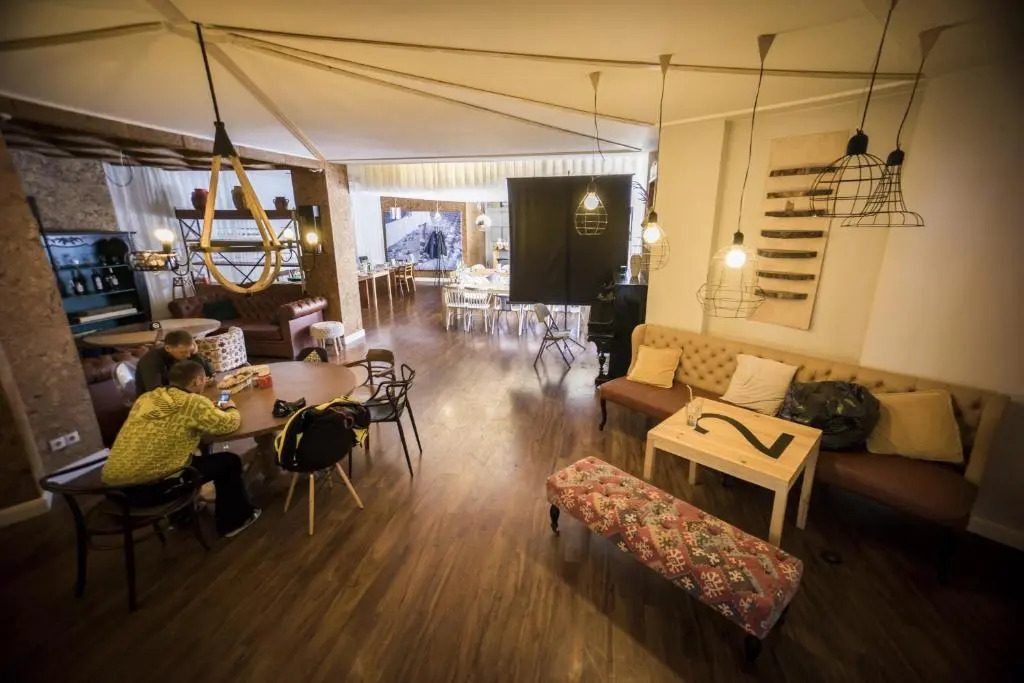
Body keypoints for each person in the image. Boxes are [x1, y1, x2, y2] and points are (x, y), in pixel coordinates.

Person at [102, 360, 261, 537]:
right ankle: (234, 522)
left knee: (176, 457)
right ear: (197, 381)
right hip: (148, 491)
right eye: (203, 380)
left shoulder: (146, 398)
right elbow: (228, 424)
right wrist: (230, 407)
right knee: (229, 462)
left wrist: (204, 407)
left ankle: (182, 515)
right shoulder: (192, 402)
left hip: (112, 489)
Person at [134, 329, 213, 396]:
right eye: (183, 352)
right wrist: (187, 389)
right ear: (168, 348)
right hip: (153, 402)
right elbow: (155, 392)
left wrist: (196, 354)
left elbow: (209, 374)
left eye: (190, 351)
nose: (188, 355)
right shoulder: (151, 362)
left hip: (177, 395)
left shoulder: (183, 354)